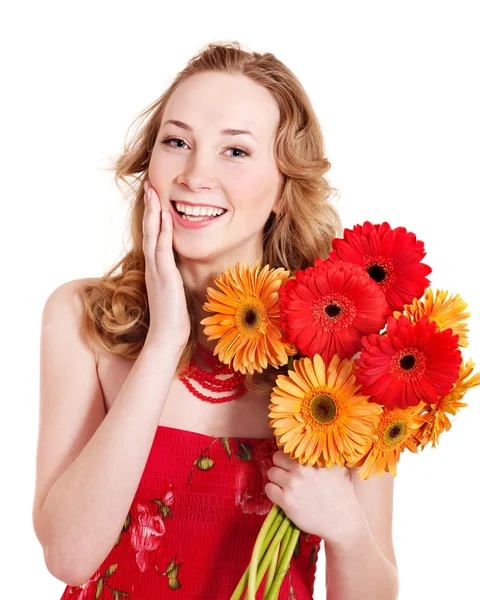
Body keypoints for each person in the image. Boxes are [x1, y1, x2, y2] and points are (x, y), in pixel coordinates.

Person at [32, 41, 399, 599]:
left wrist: (347, 529)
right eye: (177, 142)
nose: (195, 175)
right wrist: (164, 343)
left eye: (235, 151)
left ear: (283, 187)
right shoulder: (83, 319)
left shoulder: (345, 352)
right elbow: (69, 556)